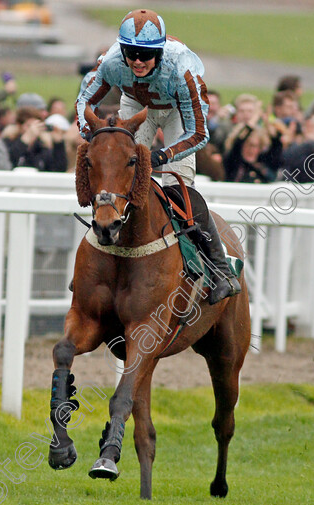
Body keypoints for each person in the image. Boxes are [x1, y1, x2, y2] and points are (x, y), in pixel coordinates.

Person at [75, 8, 240, 304]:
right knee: (115, 175)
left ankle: (219, 270)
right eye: (131, 52)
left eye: (145, 54)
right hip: (137, 103)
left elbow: (199, 133)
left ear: (160, 52)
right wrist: (92, 134)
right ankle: (97, 260)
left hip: (179, 111)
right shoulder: (111, 63)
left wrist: (163, 156)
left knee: (179, 188)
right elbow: (83, 100)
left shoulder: (183, 70)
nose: (137, 61)